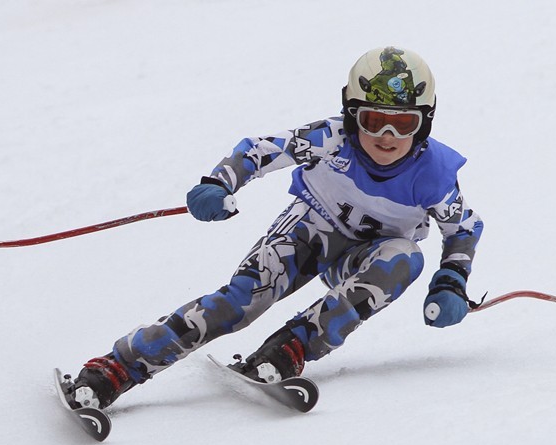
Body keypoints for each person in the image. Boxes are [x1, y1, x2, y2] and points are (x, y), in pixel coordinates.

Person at [64, 46, 484, 410]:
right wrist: (220, 181)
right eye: (373, 120)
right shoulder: (332, 138)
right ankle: (117, 367)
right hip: (308, 232)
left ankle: (290, 348)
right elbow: (262, 150)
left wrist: (450, 280)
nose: (387, 136)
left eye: (404, 124)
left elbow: (463, 228)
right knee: (240, 304)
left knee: (404, 257)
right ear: (351, 115)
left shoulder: (435, 174)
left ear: (425, 123)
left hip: (365, 257)